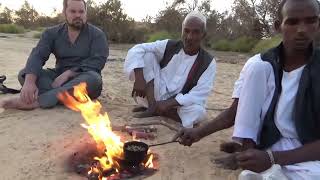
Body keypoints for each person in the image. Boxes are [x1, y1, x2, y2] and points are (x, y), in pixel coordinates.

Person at [174, 0, 320, 179]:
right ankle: (246, 151)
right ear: (278, 26)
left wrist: (273, 158)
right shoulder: (261, 65)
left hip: (309, 151)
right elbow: (236, 111)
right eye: (292, 22)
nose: (302, 30)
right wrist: (197, 133)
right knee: (258, 67)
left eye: (311, 21)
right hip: (268, 145)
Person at [0, 0, 108, 110]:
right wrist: (29, 82)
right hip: (57, 79)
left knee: (94, 79)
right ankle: (62, 96)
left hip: (83, 78)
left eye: (81, 12)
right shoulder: (51, 33)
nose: (78, 15)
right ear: (64, 12)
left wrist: (69, 73)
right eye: (73, 11)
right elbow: (38, 55)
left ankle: (39, 101)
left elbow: (97, 62)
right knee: (24, 74)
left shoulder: (97, 35)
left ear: (86, 13)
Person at [124, 11, 216, 128]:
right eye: (186, 31)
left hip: (177, 103)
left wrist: (169, 103)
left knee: (199, 112)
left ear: (203, 34)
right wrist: (139, 77)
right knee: (147, 54)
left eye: (195, 32)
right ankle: (153, 106)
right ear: (182, 31)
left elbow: (199, 93)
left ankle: (156, 110)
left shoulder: (208, 62)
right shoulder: (169, 45)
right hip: (154, 95)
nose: (189, 37)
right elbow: (137, 49)